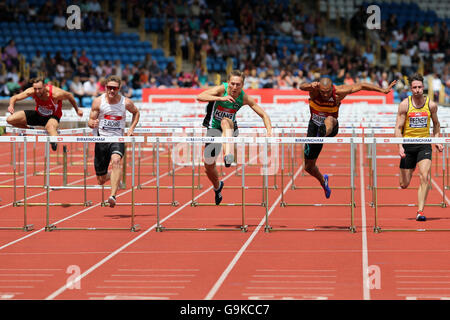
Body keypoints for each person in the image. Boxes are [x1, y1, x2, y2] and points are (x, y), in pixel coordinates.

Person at [299, 76, 397, 198]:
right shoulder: (314, 90)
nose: (324, 95)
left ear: (332, 88)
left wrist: (382, 90)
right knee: (308, 167)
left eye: (327, 92)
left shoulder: (339, 92)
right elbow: (301, 86)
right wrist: (309, 84)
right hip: (314, 126)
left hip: (331, 125)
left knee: (329, 119)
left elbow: (361, 85)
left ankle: (323, 132)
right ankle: (323, 182)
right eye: (322, 92)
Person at [197, 69, 272, 205]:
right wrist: (220, 98)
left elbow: (264, 115)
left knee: (225, 121)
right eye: (232, 84)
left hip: (230, 127)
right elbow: (200, 96)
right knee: (208, 166)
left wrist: (269, 131)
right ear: (228, 83)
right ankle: (217, 186)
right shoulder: (221, 89)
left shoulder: (244, 97)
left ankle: (229, 155)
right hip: (213, 129)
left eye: (238, 84)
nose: (235, 87)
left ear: (242, 85)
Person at [394, 73, 443, 221]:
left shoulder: (431, 105)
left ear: (423, 87)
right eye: (414, 87)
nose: (417, 90)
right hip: (408, 146)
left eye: (420, 87)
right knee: (404, 184)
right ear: (410, 89)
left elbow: (436, 124)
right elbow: (398, 128)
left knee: (424, 176)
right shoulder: (404, 105)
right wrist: (400, 146)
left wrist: (436, 140)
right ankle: (412, 166)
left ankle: (420, 211)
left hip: (424, 145)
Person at [87, 75, 140, 208]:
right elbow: (89, 121)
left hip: (117, 139)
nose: (111, 91)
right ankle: (115, 177)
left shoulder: (125, 102)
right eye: (109, 88)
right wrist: (92, 123)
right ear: (105, 88)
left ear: (119, 88)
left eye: (114, 88)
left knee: (116, 160)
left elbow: (136, 112)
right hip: (101, 140)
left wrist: (131, 128)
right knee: (100, 180)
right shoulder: (98, 102)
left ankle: (113, 196)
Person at [7, 77, 83, 151]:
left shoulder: (55, 93)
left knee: (50, 127)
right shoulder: (31, 91)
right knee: (10, 120)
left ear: (44, 86)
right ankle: (29, 129)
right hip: (38, 114)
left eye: (39, 89)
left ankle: (54, 141)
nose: (37, 91)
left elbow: (70, 96)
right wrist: (11, 105)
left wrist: (77, 110)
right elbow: (14, 97)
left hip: (52, 117)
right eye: (35, 89)